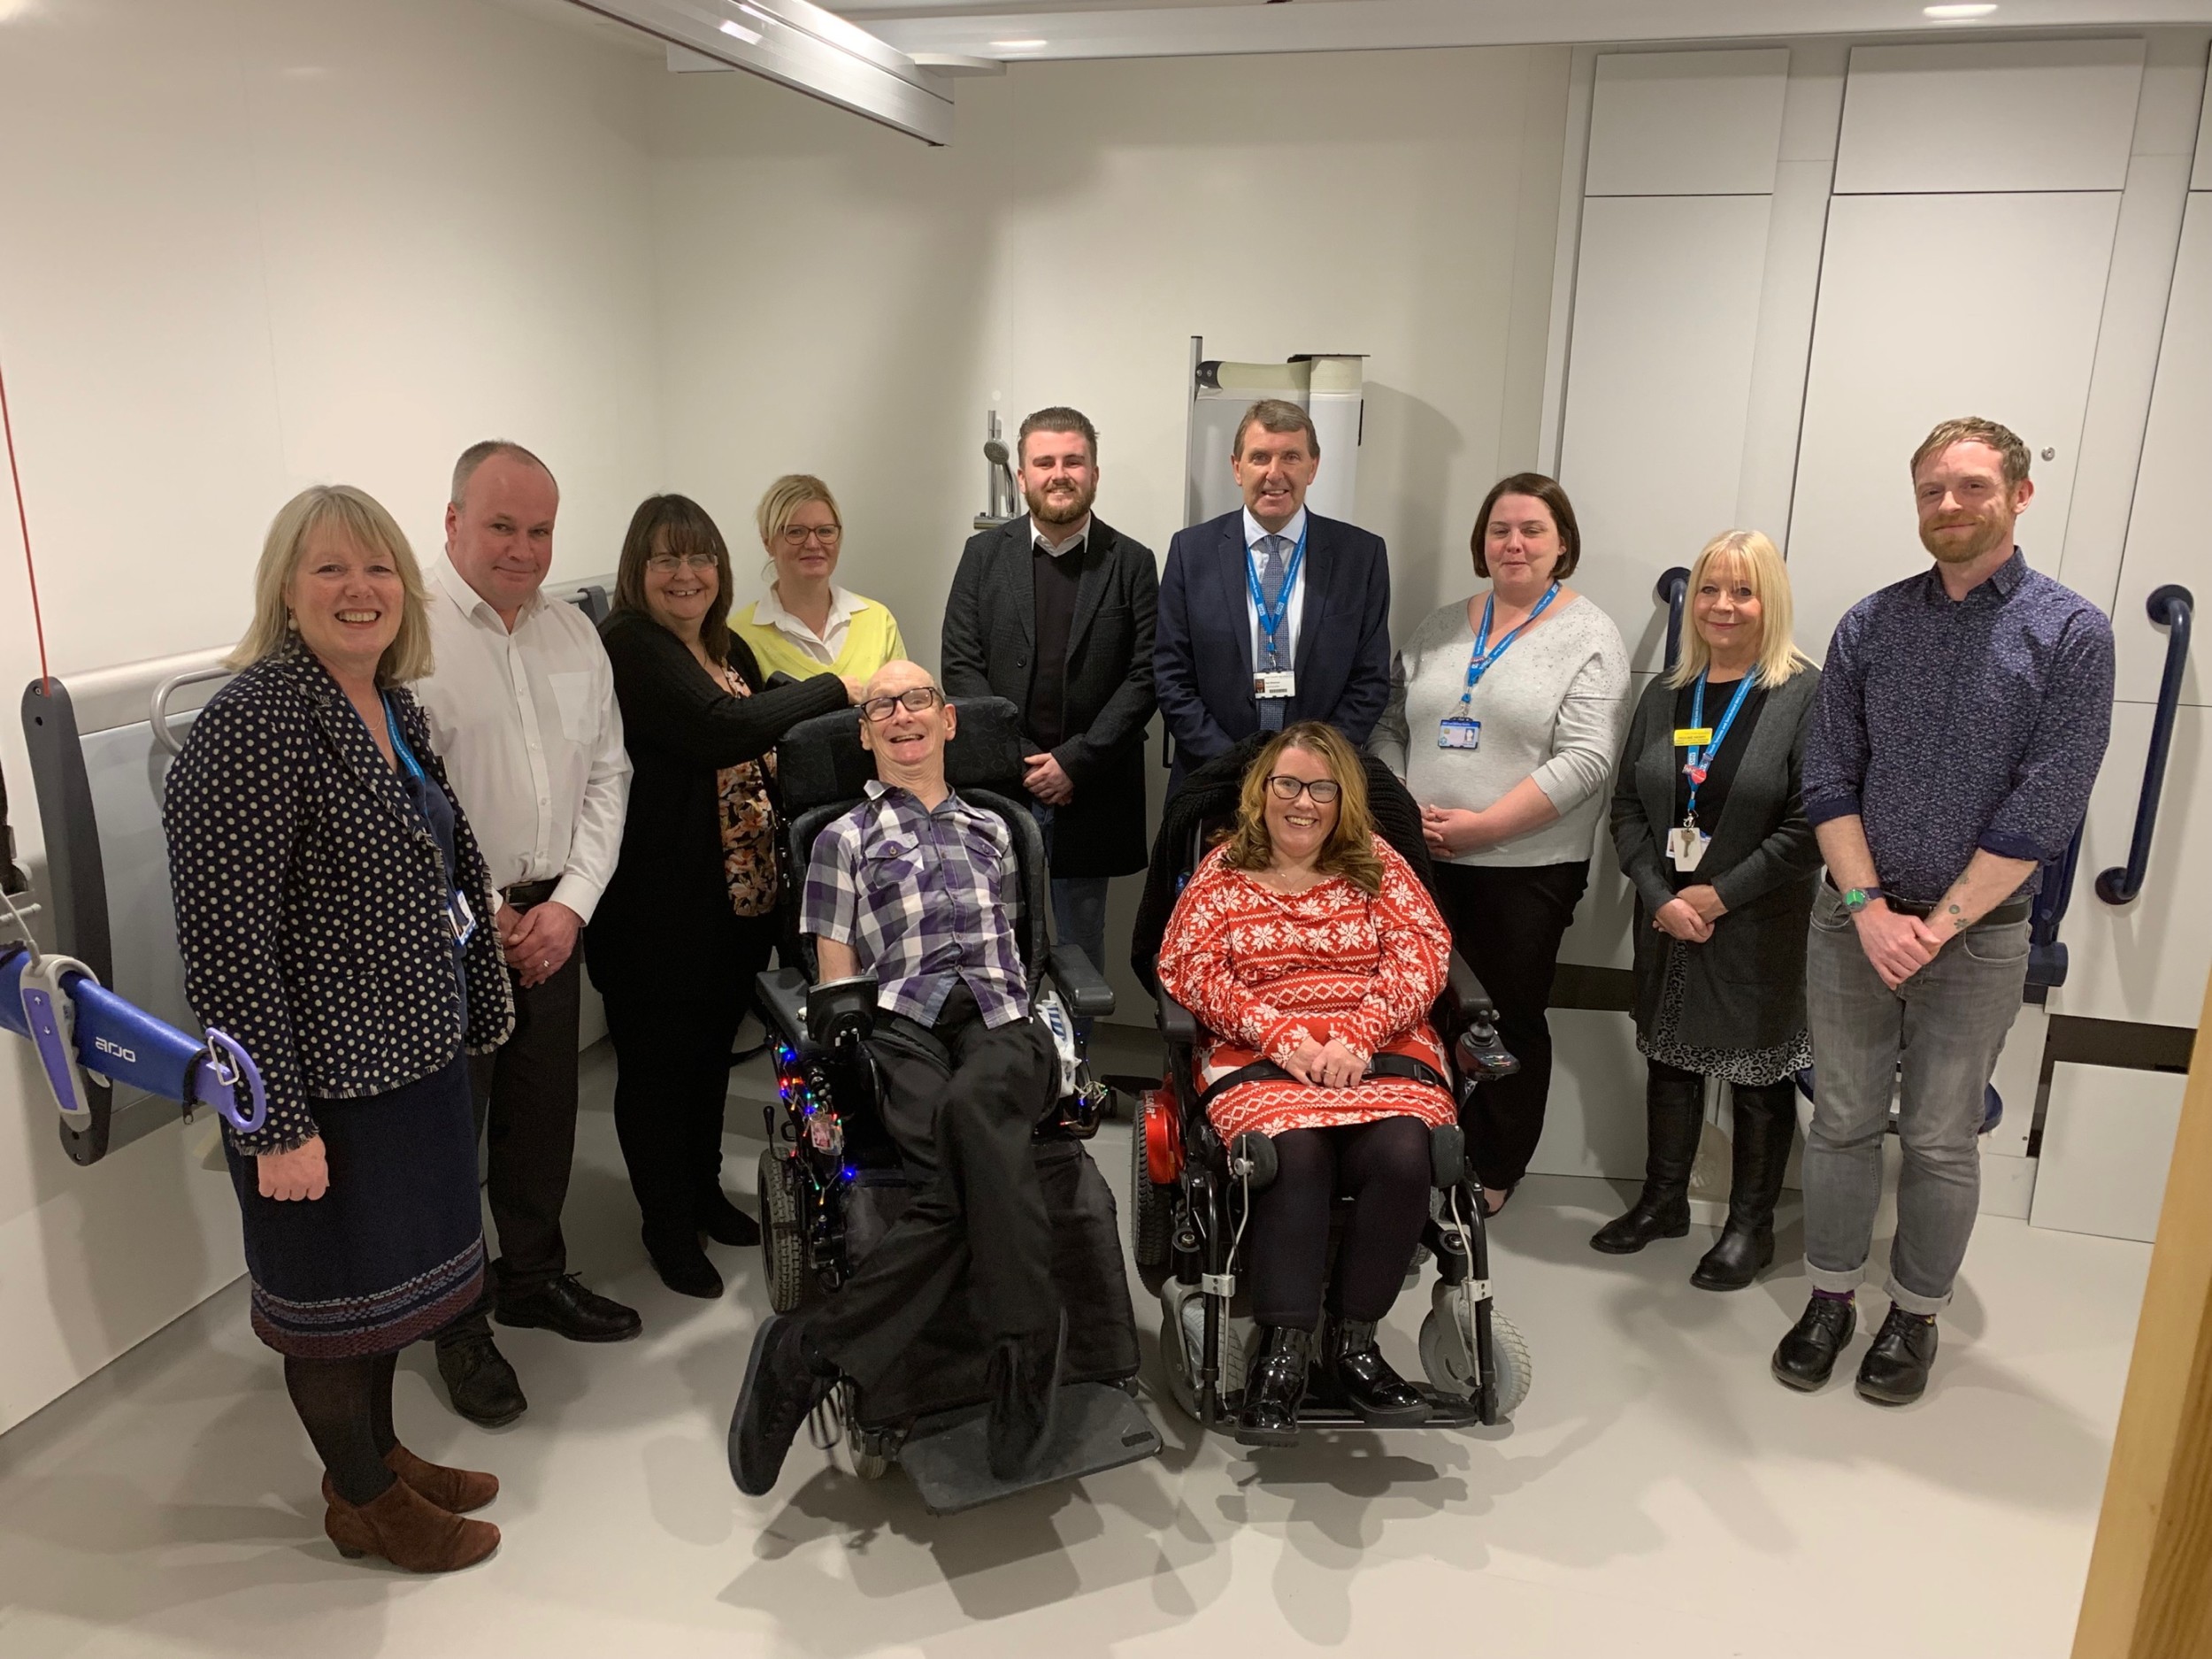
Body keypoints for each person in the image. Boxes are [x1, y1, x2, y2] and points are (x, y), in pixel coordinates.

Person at [164, 485, 511, 1571]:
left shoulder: (389, 705)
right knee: (329, 1305)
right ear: (285, 589)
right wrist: (275, 1126)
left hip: (410, 1061)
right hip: (319, 1088)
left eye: (377, 568)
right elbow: (226, 949)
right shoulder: (254, 724)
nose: (359, 590)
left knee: (387, 1294)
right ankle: (361, 1499)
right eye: (329, 569)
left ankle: (381, 1455)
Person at [1774, 417, 2115, 1407]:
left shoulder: (2070, 634)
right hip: (1855, 924)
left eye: (1971, 487)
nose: (1949, 505)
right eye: (1932, 490)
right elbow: (1828, 775)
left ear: (2019, 495)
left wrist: (1938, 925)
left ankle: (1914, 1313)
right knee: (1841, 1121)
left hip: (1978, 939)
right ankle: (1830, 1298)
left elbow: (2047, 803)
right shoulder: (1872, 623)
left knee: (1937, 1135)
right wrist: (1870, 909)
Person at [731, 661, 1067, 1493]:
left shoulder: (999, 829)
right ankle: (1027, 1352)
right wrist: (848, 1042)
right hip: (899, 1024)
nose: (902, 713)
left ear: (948, 722)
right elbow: (835, 977)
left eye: (918, 699)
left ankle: (812, 1352)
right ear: (865, 733)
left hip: (1001, 1019)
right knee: (972, 1159)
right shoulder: (840, 840)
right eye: (883, 705)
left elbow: (1019, 951)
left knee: (974, 1117)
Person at [410, 440, 640, 1429]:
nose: (523, 548)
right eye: (501, 525)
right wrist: (482, 911)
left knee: (543, 1113)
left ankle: (534, 1277)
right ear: (452, 521)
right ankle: (455, 1322)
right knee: (446, 1134)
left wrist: (572, 905)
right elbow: (404, 807)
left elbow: (608, 775)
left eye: (540, 529)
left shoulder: (572, 633)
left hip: (552, 917)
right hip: (448, 928)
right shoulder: (406, 635)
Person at [1155, 723, 1455, 1446]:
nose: (1303, 802)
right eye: (1287, 784)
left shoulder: (1376, 864)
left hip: (1375, 1046)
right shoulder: (1224, 870)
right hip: (1259, 1051)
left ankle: (1353, 1344)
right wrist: (1284, 1037)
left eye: (1322, 788)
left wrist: (1358, 1034)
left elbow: (1423, 954)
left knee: (1404, 1154)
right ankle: (1283, 1353)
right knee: (1295, 1153)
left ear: (1343, 799)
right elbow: (1188, 967)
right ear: (1261, 792)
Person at [589, 495, 858, 1297]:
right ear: (638, 570)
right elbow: (717, 727)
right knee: (656, 1070)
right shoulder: (629, 645)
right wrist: (839, 687)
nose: (686, 574)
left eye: (700, 557)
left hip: (733, 905)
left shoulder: (721, 644)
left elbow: (769, 701)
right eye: (666, 559)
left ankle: (703, 1191)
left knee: (710, 1059)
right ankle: (666, 1224)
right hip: (654, 910)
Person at [1371, 473, 1629, 1217]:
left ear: (1562, 543)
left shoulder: (1590, 636)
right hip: (1422, 859)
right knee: (1418, 1010)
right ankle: (1418, 1146)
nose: (1514, 543)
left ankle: (1492, 1165)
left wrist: (1484, 827)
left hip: (1525, 869)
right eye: (1499, 530)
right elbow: (1389, 722)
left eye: (1532, 530)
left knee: (1504, 1019)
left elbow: (1587, 759)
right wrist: (1404, 806)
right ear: (1481, 542)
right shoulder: (1439, 626)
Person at [1594, 530, 1822, 1288]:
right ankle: (1663, 1202)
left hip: (1758, 923)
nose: (1723, 605)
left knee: (1758, 1078)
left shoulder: (1805, 694)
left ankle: (1750, 1227)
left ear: (1770, 601)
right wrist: (1659, 895)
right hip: (1667, 918)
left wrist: (1720, 894)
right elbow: (1628, 805)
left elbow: (1811, 826)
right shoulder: (1667, 694)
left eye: (1743, 591)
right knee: (1668, 1059)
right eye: (1710, 590)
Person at [941, 405, 1157, 1011]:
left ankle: (1078, 1059)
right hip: (1001, 784)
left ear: (1094, 472)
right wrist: (1018, 757)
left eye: (1073, 461)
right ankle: (1010, 1053)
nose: (1059, 473)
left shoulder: (1132, 561)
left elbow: (1146, 675)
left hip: (1092, 786)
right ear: (1022, 476)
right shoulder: (983, 555)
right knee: (996, 935)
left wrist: (1074, 762)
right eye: (1044, 462)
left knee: (1083, 941)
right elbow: (960, 664)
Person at [1155, 399, 1392, 790]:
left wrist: (1307, 768)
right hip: (1213, 782)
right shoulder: (1191, 551)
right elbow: (1171, 675)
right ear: (1237, 467)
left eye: (1291, 457)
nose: (1274, 473)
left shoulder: (1360, 556)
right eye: (1260, 457)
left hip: (1317, 789)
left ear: (1313, 467)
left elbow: (1370, 681)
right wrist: (1238, 768)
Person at [730, 474, 905, 683]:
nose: (813, 544)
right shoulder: (738, 635)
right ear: (767, 541)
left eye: (825, 531)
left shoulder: (878, 620)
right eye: (796, 532)